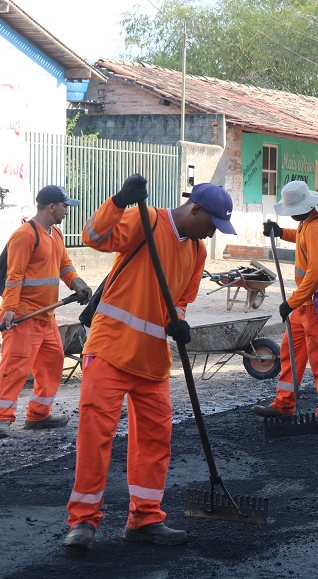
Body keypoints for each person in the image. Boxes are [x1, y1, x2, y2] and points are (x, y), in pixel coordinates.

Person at [63, 176, 237, 551]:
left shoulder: (197, 252)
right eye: (210, 225)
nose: (210, 235)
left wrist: (179, 321)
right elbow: (94, 236)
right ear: (196, 210)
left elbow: (182, 297)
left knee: (156, 440)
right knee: (95, 438)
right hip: (110, 350)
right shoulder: (148, 221)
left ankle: (144, 518)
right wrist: (120, 200)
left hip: (153, 359)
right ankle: (83, 522)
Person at [0, 185, 92, 439]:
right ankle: (2, 418)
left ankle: (39, 415)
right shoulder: (25, 236)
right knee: (14, 367)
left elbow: (64, 265)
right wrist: (8, 309)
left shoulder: (56, 234)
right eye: (64, 206)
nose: (67, 211)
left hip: (46, 316)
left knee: (52, 364)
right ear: (51, 207)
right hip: (23, 316)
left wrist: (78, 283)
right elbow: (13, 276)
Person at [253, 180, 318, 420]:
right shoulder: (308, 221)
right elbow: (302, 238)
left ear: (304, 207)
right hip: (306, 302)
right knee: (290, 352)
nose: (291, 216)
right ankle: (284, 404)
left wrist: (290, 303)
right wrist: (282, 233)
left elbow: (314, 274)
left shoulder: (315, 229)